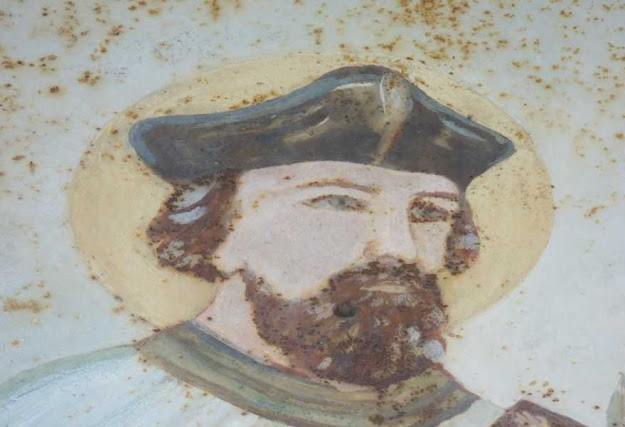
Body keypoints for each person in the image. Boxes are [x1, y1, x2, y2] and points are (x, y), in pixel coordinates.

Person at [1, 66, 589, 426]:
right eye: (337, 203)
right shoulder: (69, 410)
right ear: (214, 234)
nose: (400, 247)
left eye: (430, 214)